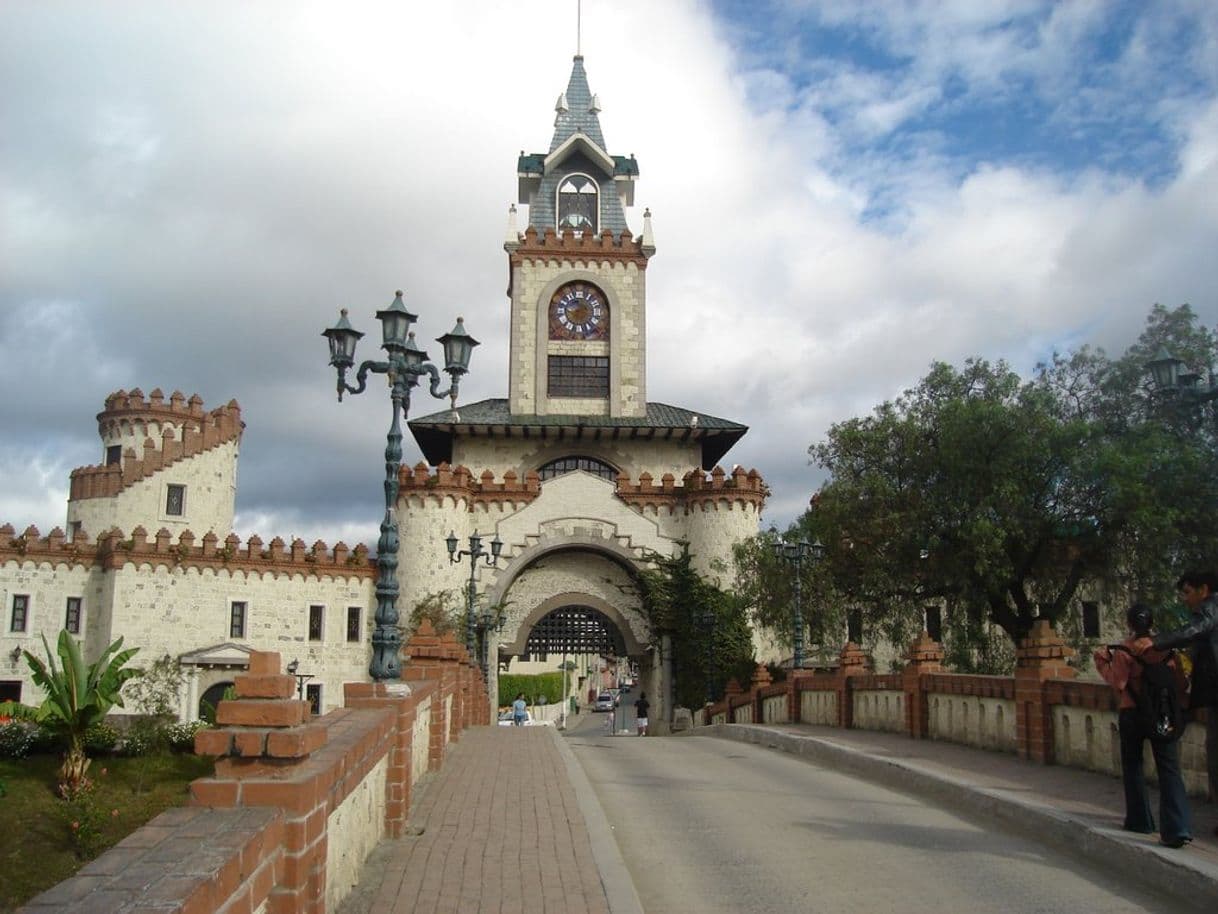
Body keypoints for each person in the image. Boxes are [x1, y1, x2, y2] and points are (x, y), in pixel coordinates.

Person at [1095, 603, 1192, 848]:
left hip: (1132, 714)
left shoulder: (1124, 650)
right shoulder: (1167, 650)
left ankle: (1140, 821)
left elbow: (1118, 683)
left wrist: (1101, 663)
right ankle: (1177, 827)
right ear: (1151, 623)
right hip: (1163, 716)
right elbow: (1180, 686)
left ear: (1129, 624)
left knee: (1134, 767)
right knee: (1170, 770)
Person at [1145, 570, 1218, 821]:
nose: (1185, 600)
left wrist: (1157, 642)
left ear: (1203, 590)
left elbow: (1195, 629)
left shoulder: (1211, 608)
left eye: (1187, 593)